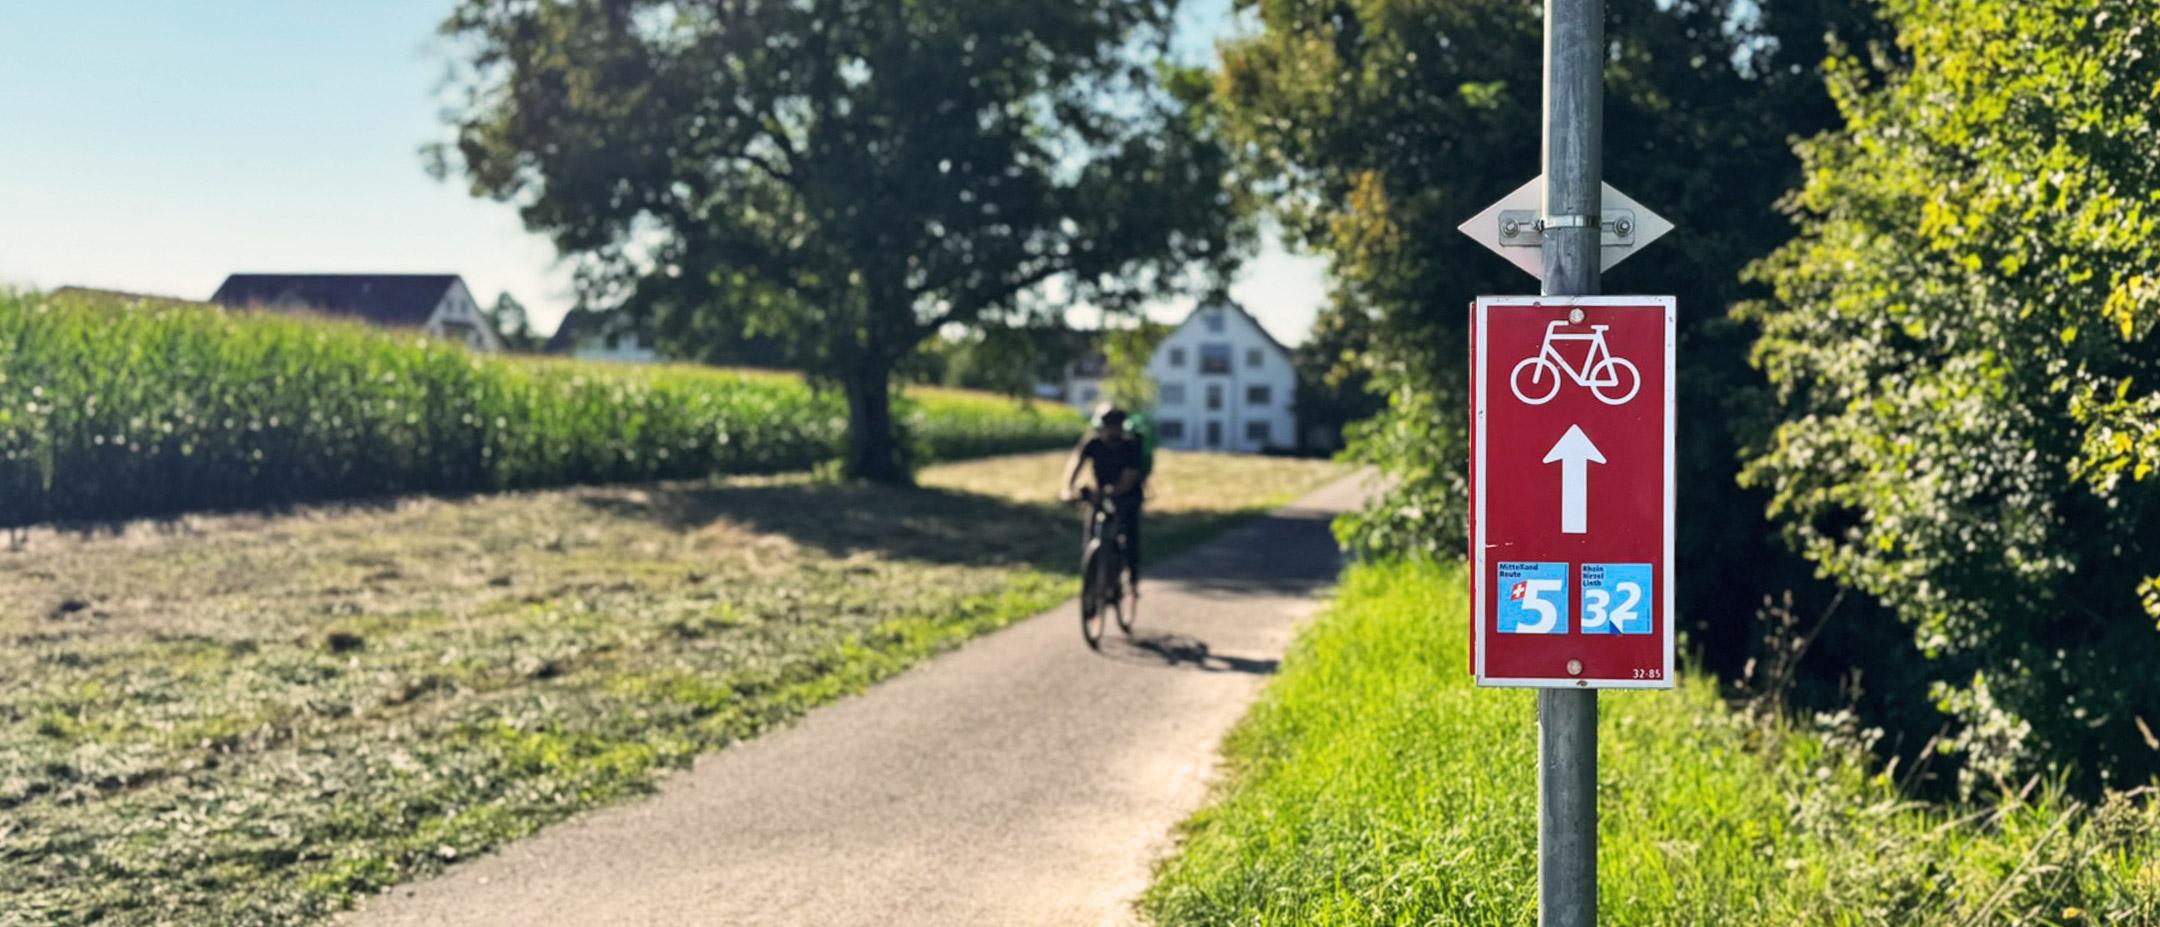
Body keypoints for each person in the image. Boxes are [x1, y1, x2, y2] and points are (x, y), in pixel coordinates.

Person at [1061, 404, 1148, 603]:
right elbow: (1075, 462)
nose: (1112, 430)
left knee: (1129, 536)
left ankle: (1132, 579)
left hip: (1127, 495)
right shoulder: (1092, 443)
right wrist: (1067, 488)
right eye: (1108, 425)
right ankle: (1092, 577)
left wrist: (1111, 492)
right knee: (1092, 531)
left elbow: (1130, 476)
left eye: (1116, 425)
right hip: (1101, 494)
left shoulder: (1131, 445)